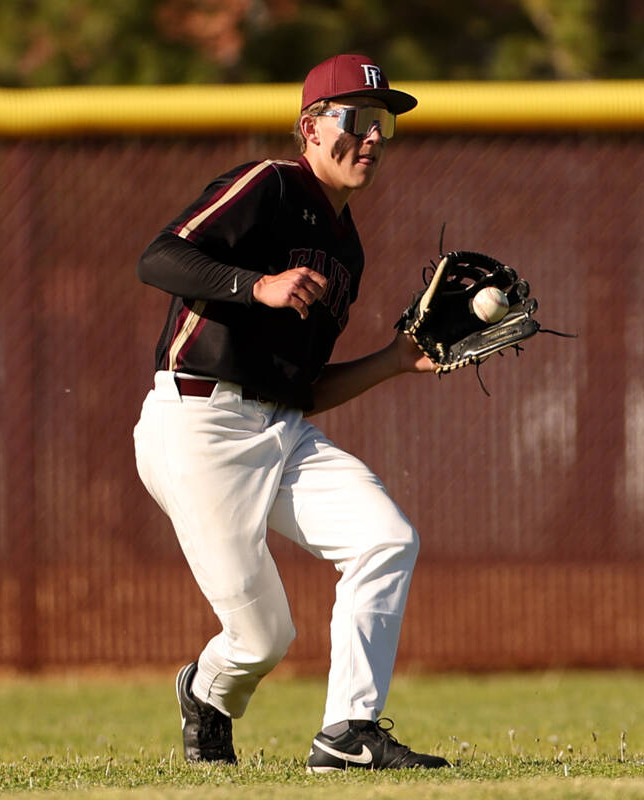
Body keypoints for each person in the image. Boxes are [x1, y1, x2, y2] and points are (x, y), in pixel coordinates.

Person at [132, 53, 450, 773]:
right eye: (358, 119)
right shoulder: (271, 184)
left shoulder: (349, 251)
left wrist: (396, 362)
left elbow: (306, 389)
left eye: (385, 125)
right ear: (310, 127)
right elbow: (158, 258)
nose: (373, 137)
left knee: (386, 540)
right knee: (261, 638)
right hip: (198, 425)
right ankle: (207, 693)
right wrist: (257, 285)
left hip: (281, 427)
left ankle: (348, 734)